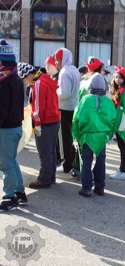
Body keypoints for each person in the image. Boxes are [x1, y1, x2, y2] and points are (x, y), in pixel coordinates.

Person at [72, 73, 118, 197]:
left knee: (86, 162)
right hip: (102, 137)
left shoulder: (85, 100)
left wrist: (76, 136)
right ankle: (100, 186)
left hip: (87, 136)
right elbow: (114, 120)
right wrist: (109, 135)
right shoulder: (108, 102)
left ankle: (86, 188)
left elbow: (76, 119)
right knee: (101, 161)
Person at [25, 58, 61, 189]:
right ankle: (51, 177)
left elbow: (38, 107)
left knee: (44, 152)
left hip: (45, 122)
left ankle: (44, 179)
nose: (26, 83)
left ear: (30, 75)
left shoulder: (39, 83)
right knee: (50, 150)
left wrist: (37, 124)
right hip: (54, 120)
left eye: (25, 79)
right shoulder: (49, 80)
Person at [0, 39, 27, 211]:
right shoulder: (16, 78)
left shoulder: (3, 81)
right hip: (16, 126)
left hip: (6, 128)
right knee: (12, 160)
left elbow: (2, 109)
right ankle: (19, 191)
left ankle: (9, 196)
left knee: (5, 163)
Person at [54, 48, 80, 174]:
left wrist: (55, 90)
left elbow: (64, 93)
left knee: (64, 139)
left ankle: (67, 165)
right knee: (70, 137)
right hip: (73, 106)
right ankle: (71, 164)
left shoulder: (64, 72)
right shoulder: (74, 70)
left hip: (64, 108)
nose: (56, 63)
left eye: (57, 60)